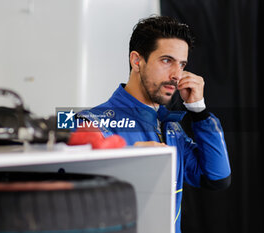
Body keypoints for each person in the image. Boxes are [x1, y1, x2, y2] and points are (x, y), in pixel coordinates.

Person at [78, 16, 231, 233]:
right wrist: (127, 161)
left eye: (182, 64)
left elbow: (217, 178)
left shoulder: (169, 125)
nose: (177, 75)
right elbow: (77, 209)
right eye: (167, 60)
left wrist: (199, 112)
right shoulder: (90, 122)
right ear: (136, 61)